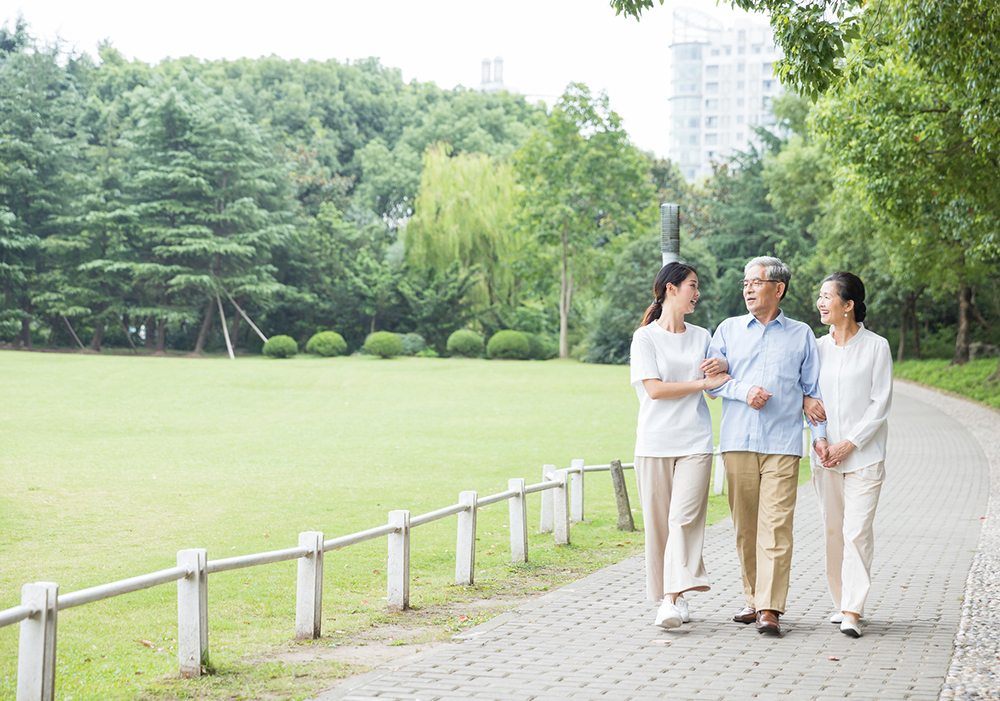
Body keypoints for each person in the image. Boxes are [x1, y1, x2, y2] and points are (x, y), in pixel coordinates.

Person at [706, 256, 826, 636]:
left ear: (778, 288)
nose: (748, 289)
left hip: (783, 443)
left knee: (775, 527)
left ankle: (770, 608)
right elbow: (711, 380)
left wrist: (819, 435)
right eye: (745, 283)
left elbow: (814, 391)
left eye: (755, 283)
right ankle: (754, 599)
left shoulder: (802, 334)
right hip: (738, 441)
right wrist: (744, 391)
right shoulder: (727, 330)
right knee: (745, 527)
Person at [629, 262, 731, 629]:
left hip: (695, 441)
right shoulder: (645, 338)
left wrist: (720, 368)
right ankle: (674, 597)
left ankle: (670, 600)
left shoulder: (703, 335)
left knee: (682, 520)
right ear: (671, 289)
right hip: (654, 443)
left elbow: (716, 387)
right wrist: (700, 384)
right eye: (692, 285)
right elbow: (654, 390)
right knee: (659, 526)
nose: (697, 293)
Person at [811, 272, 893, 638]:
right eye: (821, 296)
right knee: (833, 532)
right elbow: (810, 400)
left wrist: (850, 443)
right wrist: (821, 439)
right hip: (825, 456)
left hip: (864, 456)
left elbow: (880, 405)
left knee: (856, 531)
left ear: (849, 305)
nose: (821, 303)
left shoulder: (877, 346)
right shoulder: (816, 348)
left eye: (829, 297)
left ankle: (853, 611)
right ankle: (840, 599)